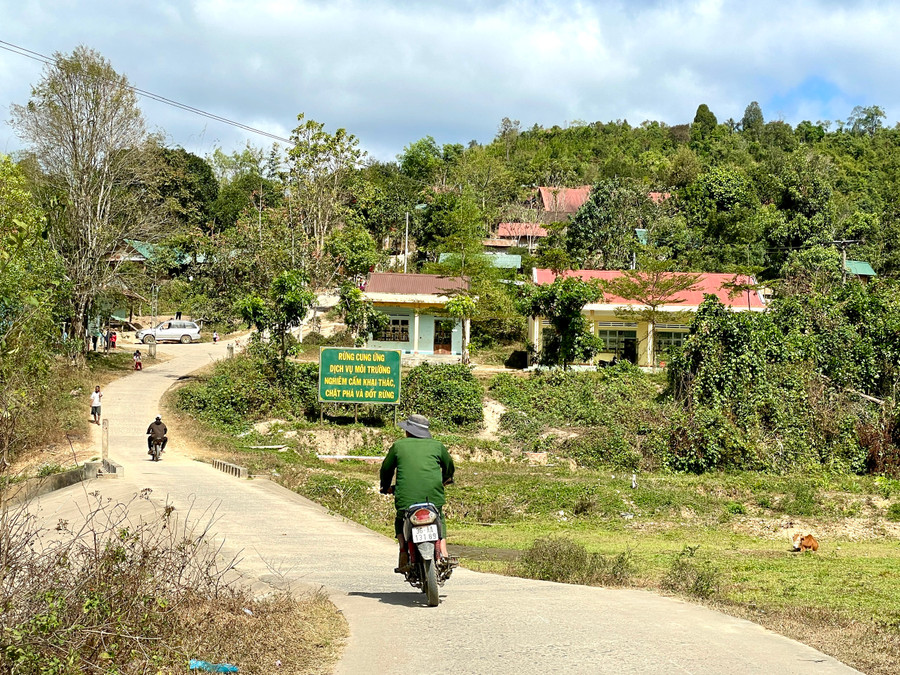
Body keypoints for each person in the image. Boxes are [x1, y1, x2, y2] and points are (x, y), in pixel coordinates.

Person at [380, 414, 455, 573]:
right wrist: (446, 479)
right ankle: (444, 551)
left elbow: (386, 469)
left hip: (406, 498)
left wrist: (386, 487)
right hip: (433, 496)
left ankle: (402, 551)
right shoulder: (437, 446)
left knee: (401, 518)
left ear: (408, 431)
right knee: (439, 516)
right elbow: (449, 466)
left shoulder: (399, 446)